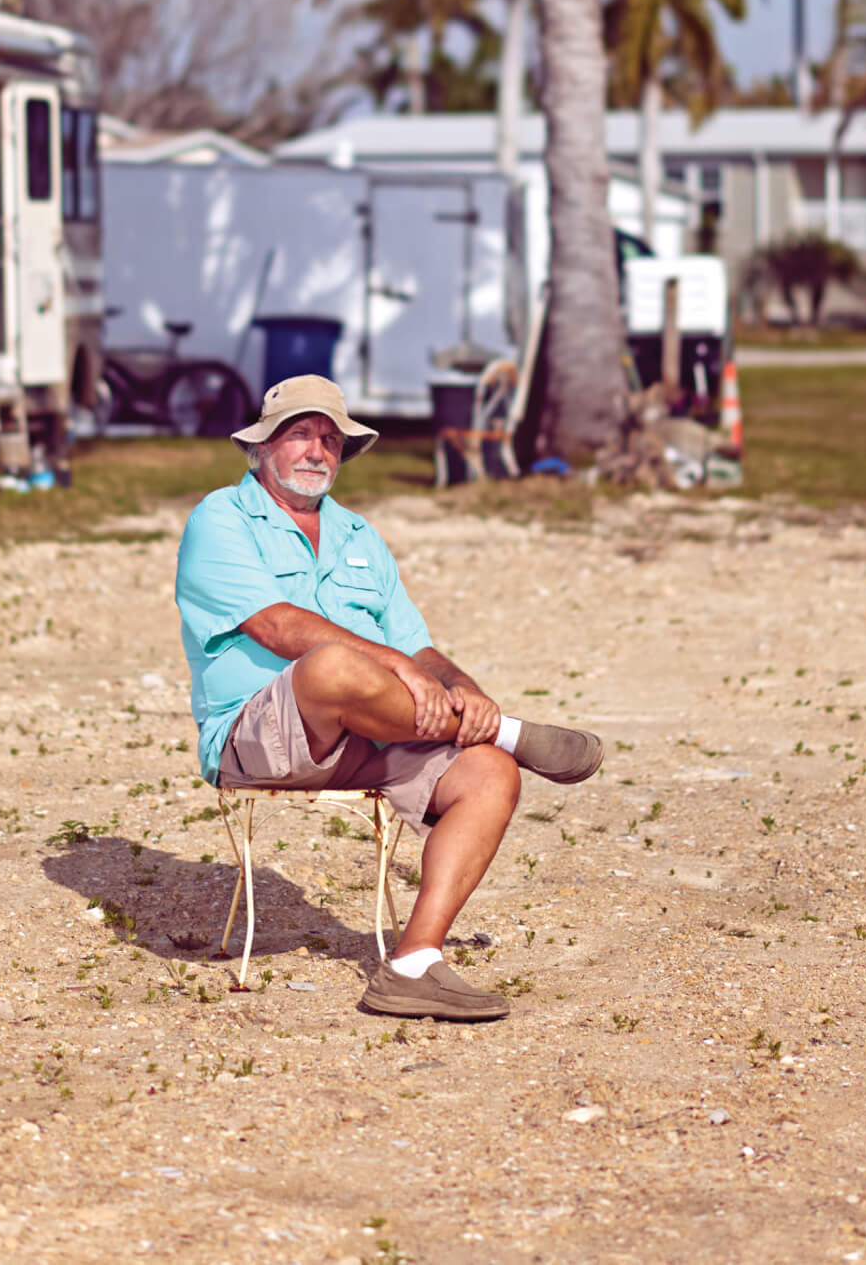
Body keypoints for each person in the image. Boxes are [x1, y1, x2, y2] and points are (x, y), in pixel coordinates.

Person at [173, 375, 604, 1021]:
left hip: (366, 735)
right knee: (331, 665)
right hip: (258, 735)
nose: (317, 450)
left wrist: (465, 690)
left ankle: (412, 963)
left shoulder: (358, 535)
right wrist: (402, 668)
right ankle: (507, 730)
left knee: (489, 772)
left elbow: (418, 647)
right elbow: (278, 627)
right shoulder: (220, 517)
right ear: (262, 447)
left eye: (330, 439)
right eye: (300, 434)